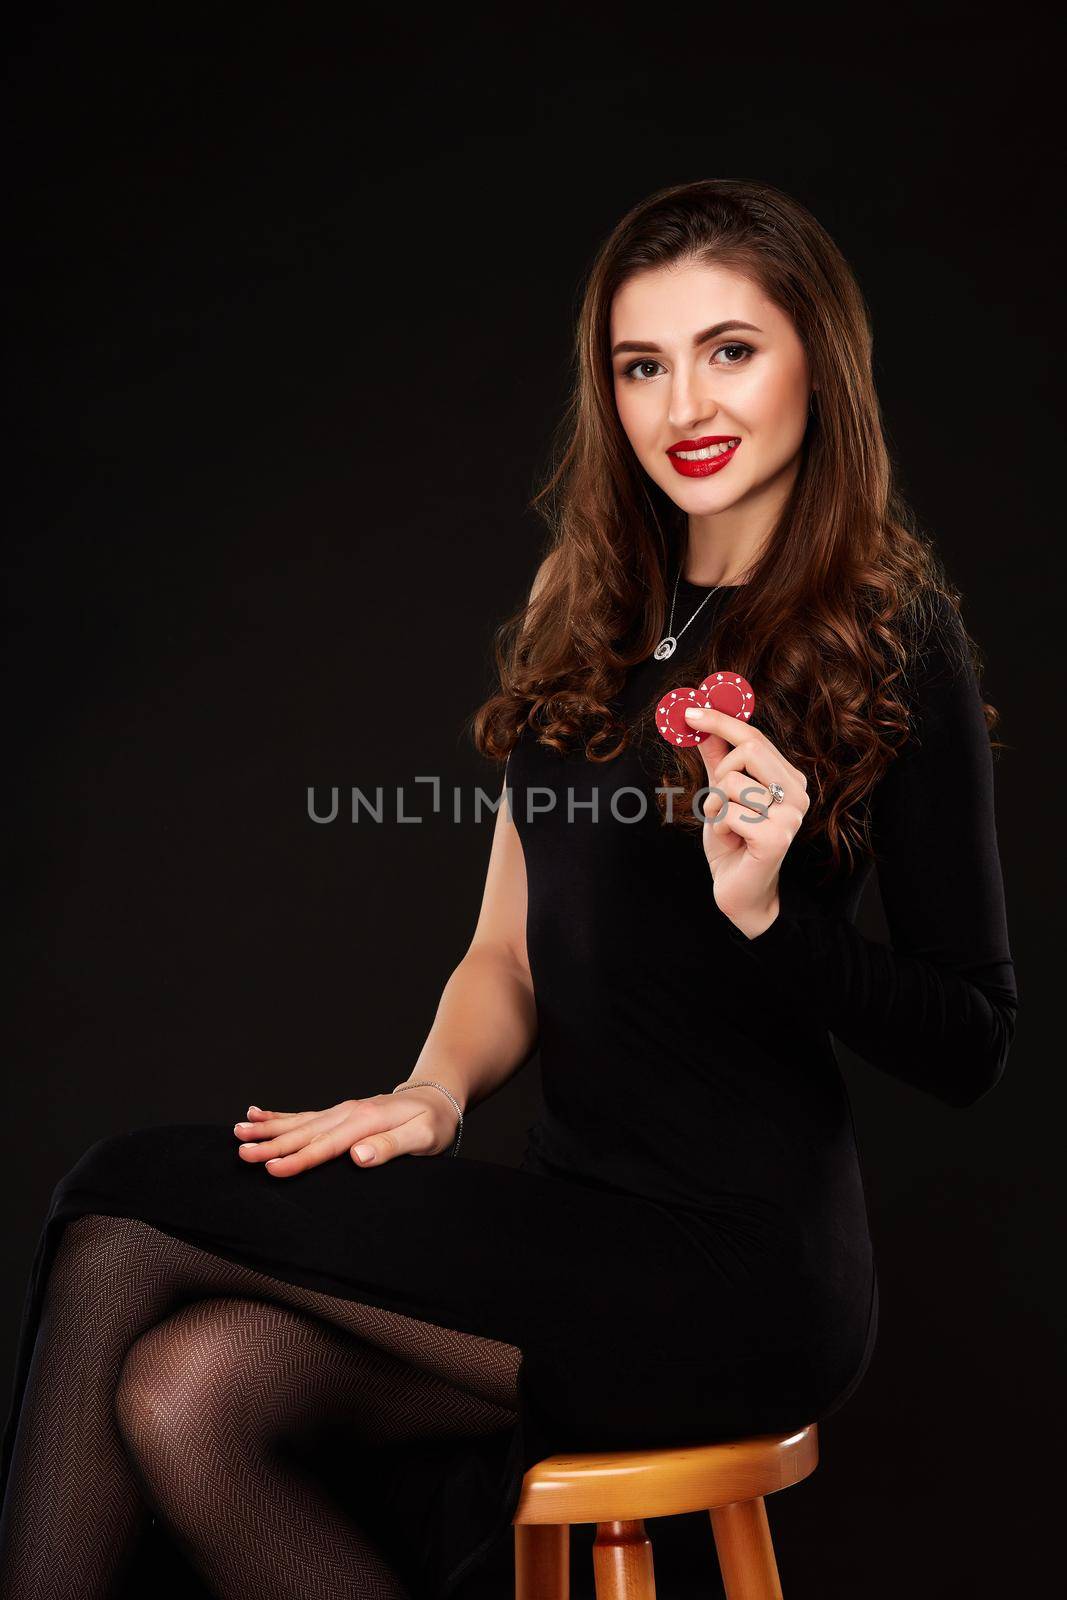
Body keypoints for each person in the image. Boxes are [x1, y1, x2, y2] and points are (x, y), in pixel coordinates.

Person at [0, 177, 1018, 1600]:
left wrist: (770, 921)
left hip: (740, 1274)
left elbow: (972, 1040)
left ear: (816, 363)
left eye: (730, 349)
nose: (684, 407)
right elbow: (507, 954)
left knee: (117, 1208)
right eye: (640, 366)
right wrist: (434, 1090)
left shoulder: (889, 638)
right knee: (192, 1391)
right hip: (571, 1226)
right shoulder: (582, 607)